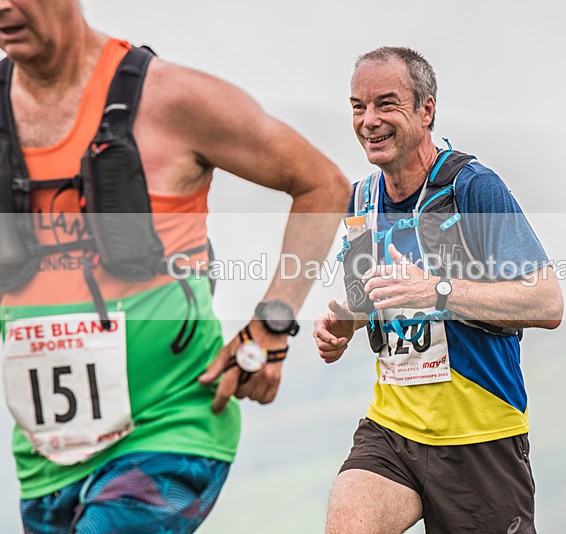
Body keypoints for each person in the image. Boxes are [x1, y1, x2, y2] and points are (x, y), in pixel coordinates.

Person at [0, 1, 350, 532]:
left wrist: (271, 327)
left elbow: (321, 184)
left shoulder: (171, 99)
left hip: (169, 429)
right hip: (43, 459)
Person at [313, 46, 564, 534]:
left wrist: (438, 291)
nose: (369, 121)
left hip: (481, 439)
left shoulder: (473, 187)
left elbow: (548, 301)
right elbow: (376, 297)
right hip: (393, 430)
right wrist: (341, 324)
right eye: (357, 106)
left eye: (386, 104)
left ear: (427, 109)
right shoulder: (361, 199)